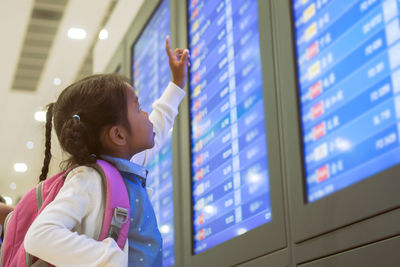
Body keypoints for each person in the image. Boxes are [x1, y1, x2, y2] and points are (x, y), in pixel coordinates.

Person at [23, 36, 189, 266]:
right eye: (138, 108)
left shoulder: (120, 170)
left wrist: (176, 84)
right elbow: (39, 236)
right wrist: (108, 258)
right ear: (118, 135)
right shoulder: (89, 180)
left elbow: (158, 129)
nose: (145, 114)